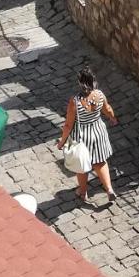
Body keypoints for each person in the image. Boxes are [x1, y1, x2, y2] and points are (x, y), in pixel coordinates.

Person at [54, 65, 118, 203]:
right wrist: (113, 118)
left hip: (82, 136)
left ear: (80, 82)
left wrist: (62, 142)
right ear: (93, 80)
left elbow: (68, 125)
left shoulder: (75, 101)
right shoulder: (100, 94)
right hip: (98, 131)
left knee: (82, 165)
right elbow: (107, 109)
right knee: (100, 161)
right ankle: (109, 189)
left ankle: (83, 192)